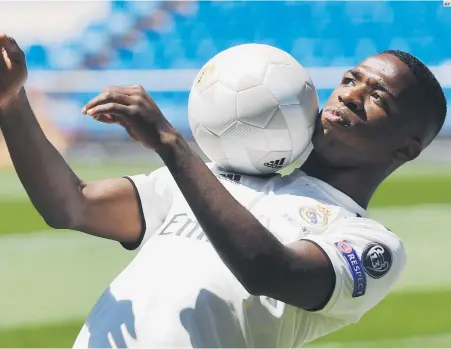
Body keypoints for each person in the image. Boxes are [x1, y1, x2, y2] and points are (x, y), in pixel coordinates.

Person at [0, 33, 446, 348]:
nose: (349, 95)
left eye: (378, 97)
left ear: (406, 148)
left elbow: (270, 271)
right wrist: (11, 101)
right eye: (350, 79)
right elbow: (70, 205)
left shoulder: (371, 245)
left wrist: (171, 144)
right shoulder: (216, 176)